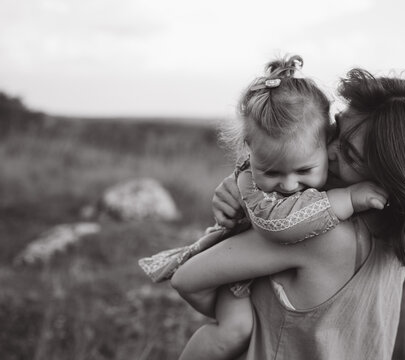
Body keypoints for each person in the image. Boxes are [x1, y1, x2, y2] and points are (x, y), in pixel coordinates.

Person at [171, 66, 405, 360]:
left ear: (393, 178)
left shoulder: (323, 236)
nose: (327, 150)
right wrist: (250, 188)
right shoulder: (398, 230)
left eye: (350, 154)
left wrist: (246, 187)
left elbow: (186, 278)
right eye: (335, 131)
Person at [139, 55, 388, 360]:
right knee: (233, 331)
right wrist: (350, 197)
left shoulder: (305, 169)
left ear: (327, 144)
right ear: (250, 152)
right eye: (272, 172)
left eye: (304, 170)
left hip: (256, 272)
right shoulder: (253, 183)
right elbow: (280, 223)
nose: (289, 184)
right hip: (236, 279)